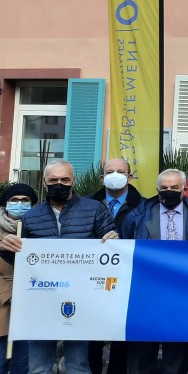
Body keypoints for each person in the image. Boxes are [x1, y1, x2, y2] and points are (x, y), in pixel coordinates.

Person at [0, 160, 117, 374]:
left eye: (64, 179)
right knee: (38, 366)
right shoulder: (30, 216)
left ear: (73, 181)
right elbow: (20, 260)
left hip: (81, 297)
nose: (59, 184)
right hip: (41, 299)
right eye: (53, 180)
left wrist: (114, 239)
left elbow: (113, 249)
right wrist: (7, 247)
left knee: (77, 365)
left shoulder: (94, 209)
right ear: (44, 182)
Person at [121, 169, 188, 374]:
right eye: (164, 188)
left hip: (181, 294)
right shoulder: (137, 216)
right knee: (142, 353)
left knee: (175, 355)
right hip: (146, 293)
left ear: (184, 189)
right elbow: (125, 248)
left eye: (174, 187)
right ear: (157, 189)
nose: (169, 191)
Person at [88, 158, 146, 374]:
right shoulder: (85, 203)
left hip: (127, 278)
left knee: (122, 335)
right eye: (110, 171)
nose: (115, 175)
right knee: (91, 335)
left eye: (120, 172)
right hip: (92, 278)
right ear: (102, 177)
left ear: (130, 177)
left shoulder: (144, 206)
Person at [0, 184, 37, 374]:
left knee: (23, 362)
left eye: (25, 200)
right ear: (5, 203)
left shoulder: (38, 229)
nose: (19, 204)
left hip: (29, 307)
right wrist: (9, 292)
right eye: (14, 200)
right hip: (3, 304)